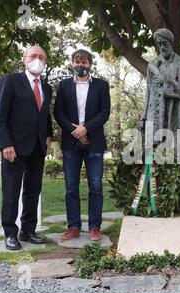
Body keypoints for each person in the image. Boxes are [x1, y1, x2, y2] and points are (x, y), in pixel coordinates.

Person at [0, 45, 53, 250]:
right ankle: (10, 233)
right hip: (14, 147)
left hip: (37, 147)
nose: (37, 60)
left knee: (32, 191)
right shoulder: (10, 81)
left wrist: (49, 135)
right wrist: (5, 144)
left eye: (42, 57)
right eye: (33, 56)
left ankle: (28, 230)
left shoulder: (46, 87)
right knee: (11, 191)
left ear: (45, 62)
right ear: (24, 59)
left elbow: (44, 115)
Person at [54, 49, 111, 241]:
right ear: (72, 63)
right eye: (78, 62)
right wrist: (75, 131)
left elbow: (104, 112)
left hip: (94, 142)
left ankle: (95, 227)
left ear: (90, 65)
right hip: (71, 143)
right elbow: (58, 112)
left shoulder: (102, 86)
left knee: (95, 185)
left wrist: (85, 128)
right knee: (71, 187)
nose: (81, 65)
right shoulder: (63, 86)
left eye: (85, 62)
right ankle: (74, 227)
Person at [141, 28, 180, 145]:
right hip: (155, 114)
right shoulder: (153, 65)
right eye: (159, 44)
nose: (162, 47)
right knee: (151, 154)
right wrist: (144, 116)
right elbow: (148, 91)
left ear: (170, 43)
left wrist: (168, 82)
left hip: (175, 112)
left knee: (176, 154)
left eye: (164, 43)